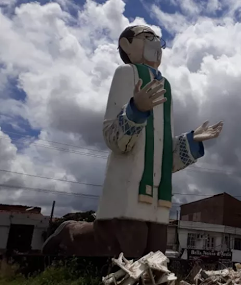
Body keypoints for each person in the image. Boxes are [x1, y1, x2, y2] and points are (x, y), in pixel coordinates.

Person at [42, 25, 223, 257]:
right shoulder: (125, 73)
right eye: (147, 37)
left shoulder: (165, 85)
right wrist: (136, 109)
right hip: (126, 190)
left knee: (157, 260)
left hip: (158, 199)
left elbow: (162, 156)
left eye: (158, 40)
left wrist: (192, 140)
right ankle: (70, 233)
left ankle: (75, 233)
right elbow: (113, 137)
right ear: (126, 45)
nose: (155, 44)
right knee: (130, 253)